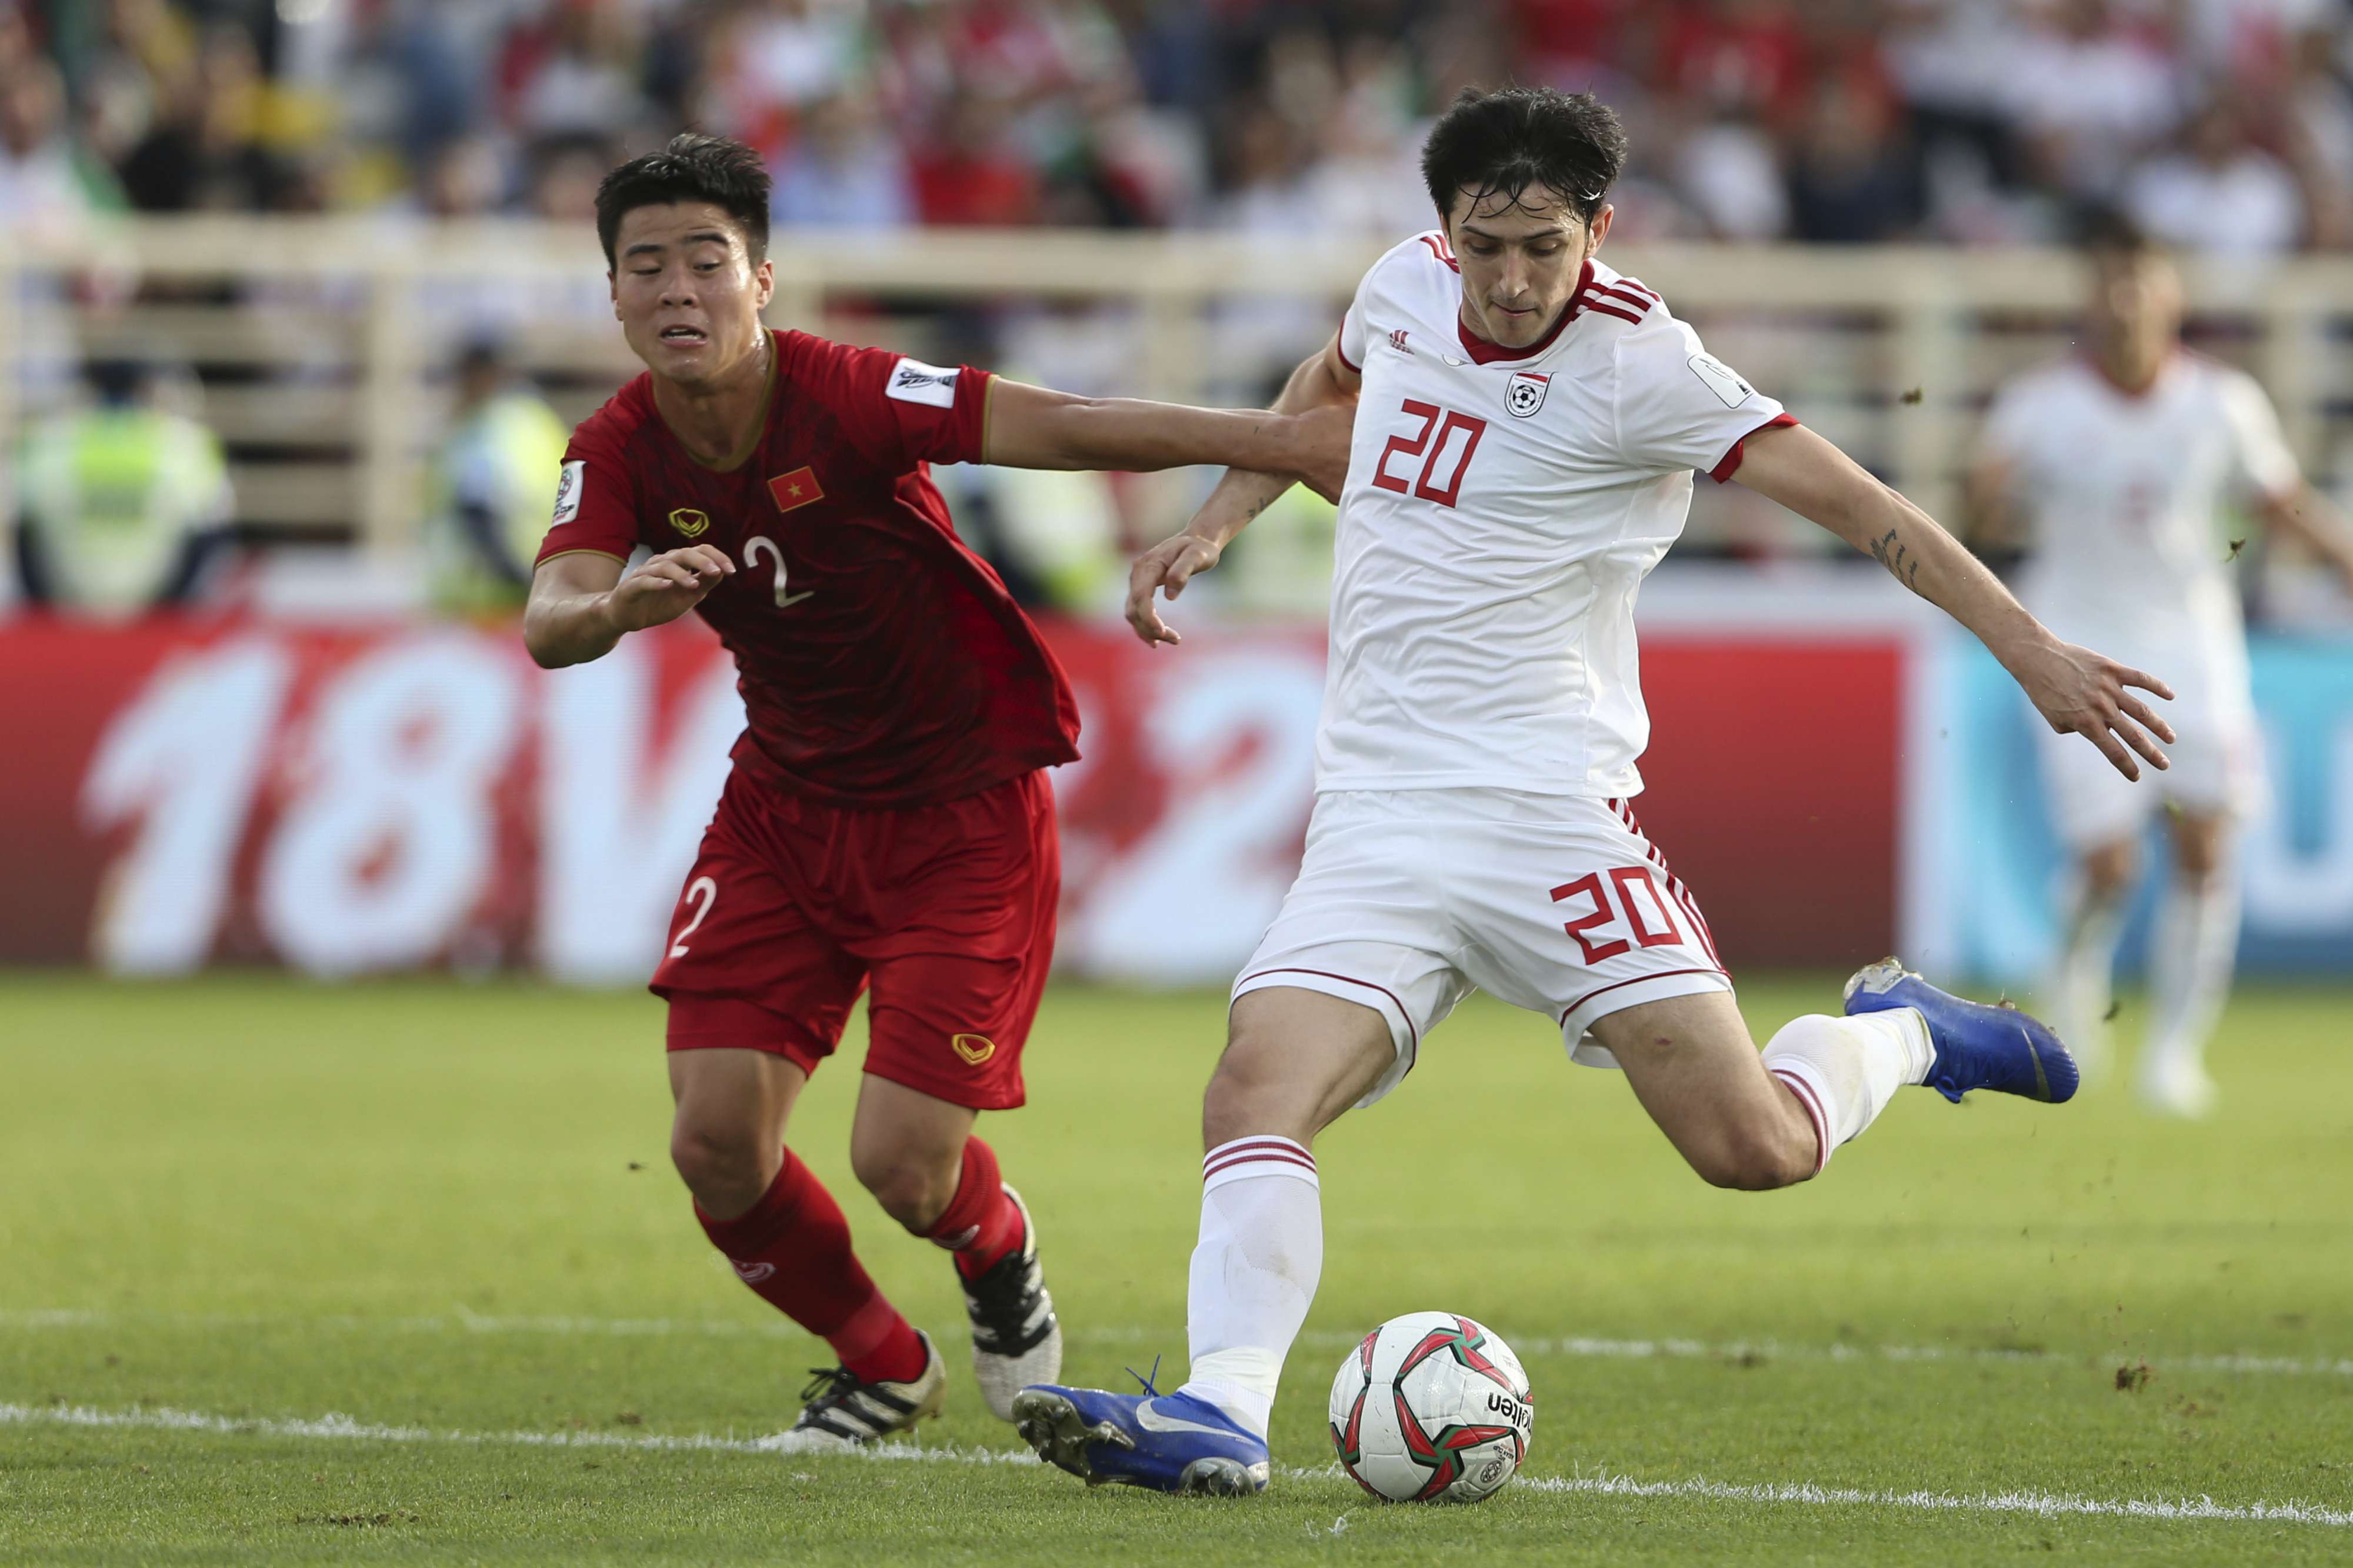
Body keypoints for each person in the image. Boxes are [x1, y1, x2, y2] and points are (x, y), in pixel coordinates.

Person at [1012, 85, 2176, 1497]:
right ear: (1440, 230)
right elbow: (1322, 390)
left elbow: (1867, 505)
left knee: (1754, 1147)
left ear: (1597, 231)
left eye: (1542, 249)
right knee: (1254, 1085)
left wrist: (2030, 648)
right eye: (1483, 244)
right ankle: (1221, 1409)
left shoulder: (1650, 367)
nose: (1508, 280)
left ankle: (1902, 1035)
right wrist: (1210, 520)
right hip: (1376, 809)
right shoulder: (1397, 287)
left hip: (1549, 815)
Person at [522, 135, 1341, 1446]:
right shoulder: (614, 445)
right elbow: (548, 618)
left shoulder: (847, 394)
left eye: (705, 262)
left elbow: (1061, 425)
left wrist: (1282, 442)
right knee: (712, 1142)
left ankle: (995, 1253)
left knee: (904, 1166)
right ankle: (883, 1364)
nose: (678, 290)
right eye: (646, 267)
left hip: (960, 811)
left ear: (764, 281)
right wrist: (616, 602)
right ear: (613, 297)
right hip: (784, 810)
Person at [1968, 213, 2353, 1118]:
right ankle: (2072, 967)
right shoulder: (2038, 407)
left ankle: (2176, 1055)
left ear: (2173, 293)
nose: (2127, 296)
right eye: (2110, 278)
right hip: (2075, 643)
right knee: (2109, 865)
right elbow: (1981, 512)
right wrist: (1978, 507)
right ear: (2090, 297)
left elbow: (2282, 500)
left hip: (2193, 644)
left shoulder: (2222, 400)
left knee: (2206, 843)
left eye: (2143, 277)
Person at [14, 360, 234, 618]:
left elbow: (22, 532)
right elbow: (215, 532)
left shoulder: (49, 442)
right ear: (148, 389)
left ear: (89, 388)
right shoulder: (184, 445)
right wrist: (169, 612)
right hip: (156, 612)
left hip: (66, 610)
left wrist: (45, 613)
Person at [423, 339, 571, 615]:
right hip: (540, 591)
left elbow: (477, 513)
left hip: (494, 604)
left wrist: (525, 589)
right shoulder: (539, 422)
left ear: (480, 375)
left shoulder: (486, 429)